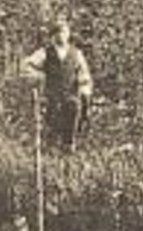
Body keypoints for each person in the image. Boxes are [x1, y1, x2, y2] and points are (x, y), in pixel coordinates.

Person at [22, 18, 94, 152]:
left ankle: (69, 145)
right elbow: (26, 66)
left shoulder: (76, 53)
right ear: (53, 36)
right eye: (58, 32)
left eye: (65, 32)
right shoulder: (45, 52)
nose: (62, 35)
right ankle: (51, 147)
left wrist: (84, 88)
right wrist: (39, 76)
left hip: (70, 94)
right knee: (51, 117)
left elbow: (84, 74)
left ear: (69, 34)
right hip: (51, 94)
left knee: (74, 110)